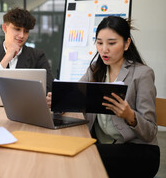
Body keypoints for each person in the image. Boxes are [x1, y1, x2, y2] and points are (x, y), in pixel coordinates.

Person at [48, 16, 159, 177]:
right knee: (63, 150)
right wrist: (58, 102)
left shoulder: (142, 74)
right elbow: (73, 100)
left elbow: (150, 131)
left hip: (138, 151)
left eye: (111, 43)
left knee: (79, 156)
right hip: (102, 145)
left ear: (127, 43)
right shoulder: (94, 70)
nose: (104, 49)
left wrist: (130, 116)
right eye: (99, 43)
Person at [0, 7, 54, 92]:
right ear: (4, 28)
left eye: (26, 31)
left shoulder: (37, 56)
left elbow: (49, 86)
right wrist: (6, 59)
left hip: (27, 105)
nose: (22, 35)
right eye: (17, 29)